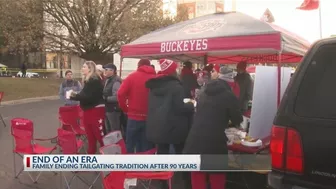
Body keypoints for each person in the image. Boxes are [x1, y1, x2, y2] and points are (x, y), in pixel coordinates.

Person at [183, 76, 243, 189]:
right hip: (215, 140)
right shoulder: (229, 96)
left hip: (195, 138)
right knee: (217, 173)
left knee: (198, 172)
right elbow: (237, 119)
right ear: (230, 85)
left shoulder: (203, 93)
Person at [146, 59, 194, 189]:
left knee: (162, 151)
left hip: (158, 125)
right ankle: (183, 178)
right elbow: (180, 107)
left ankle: (162, 179)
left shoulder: (154, 86)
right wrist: (191, 105)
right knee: (179, 150)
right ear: (172, 71)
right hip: (174, 125)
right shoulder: (176, 86)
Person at [117, 59, 156, 153]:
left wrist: (125, 109)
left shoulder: (132, 77)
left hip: (133, 116)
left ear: (138, 66)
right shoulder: (155, 78)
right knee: (146, 146)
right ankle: (143, 165)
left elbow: (120, 94)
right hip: (149, 117)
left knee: (130, 144)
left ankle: (129, 165)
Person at [70, 61, 104, 154]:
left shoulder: (94, 80)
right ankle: (91, 157)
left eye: (84, 67)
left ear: (90, 68)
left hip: (96, 110)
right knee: (90, 136)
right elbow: (84, 95)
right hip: (88, 110)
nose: (82, 68)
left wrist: (73, 96)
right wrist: (75, 95)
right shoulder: (88, 81)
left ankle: (107, 159)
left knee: (99, 136)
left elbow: (89, 97)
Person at [103, 63, 122, 134]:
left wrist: (106, 98)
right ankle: (111, 144)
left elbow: (117, 97)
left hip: (113, 109)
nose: (104, 71)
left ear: (112, 71)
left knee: (114, 129)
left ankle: (117, 144)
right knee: (109, 129)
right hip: (108, 108)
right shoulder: (108, 79)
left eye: (106, 70)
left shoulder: (116, 81)